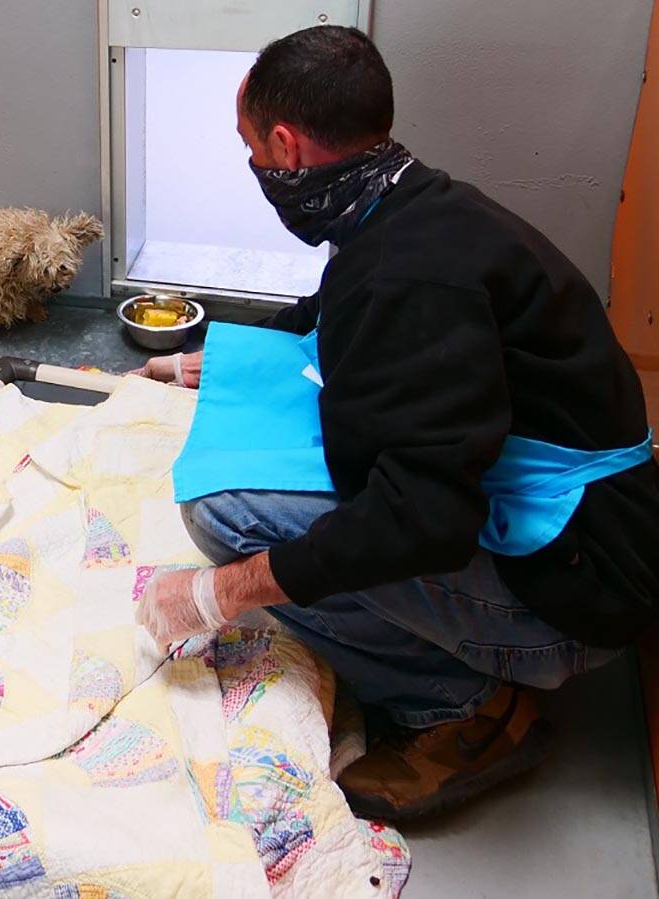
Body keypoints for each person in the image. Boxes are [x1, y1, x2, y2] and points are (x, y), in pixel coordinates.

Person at [135, 25, 659, 821]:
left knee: (224, 513)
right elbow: (330, 312)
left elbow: (424, 521)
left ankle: (463, 708)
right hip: (604, 532)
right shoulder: (411, 203)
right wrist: (214, 362)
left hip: (579, 593)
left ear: (287, 146)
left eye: (252, 149)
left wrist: (221, 592)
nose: (254, 167)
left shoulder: (409, 281)